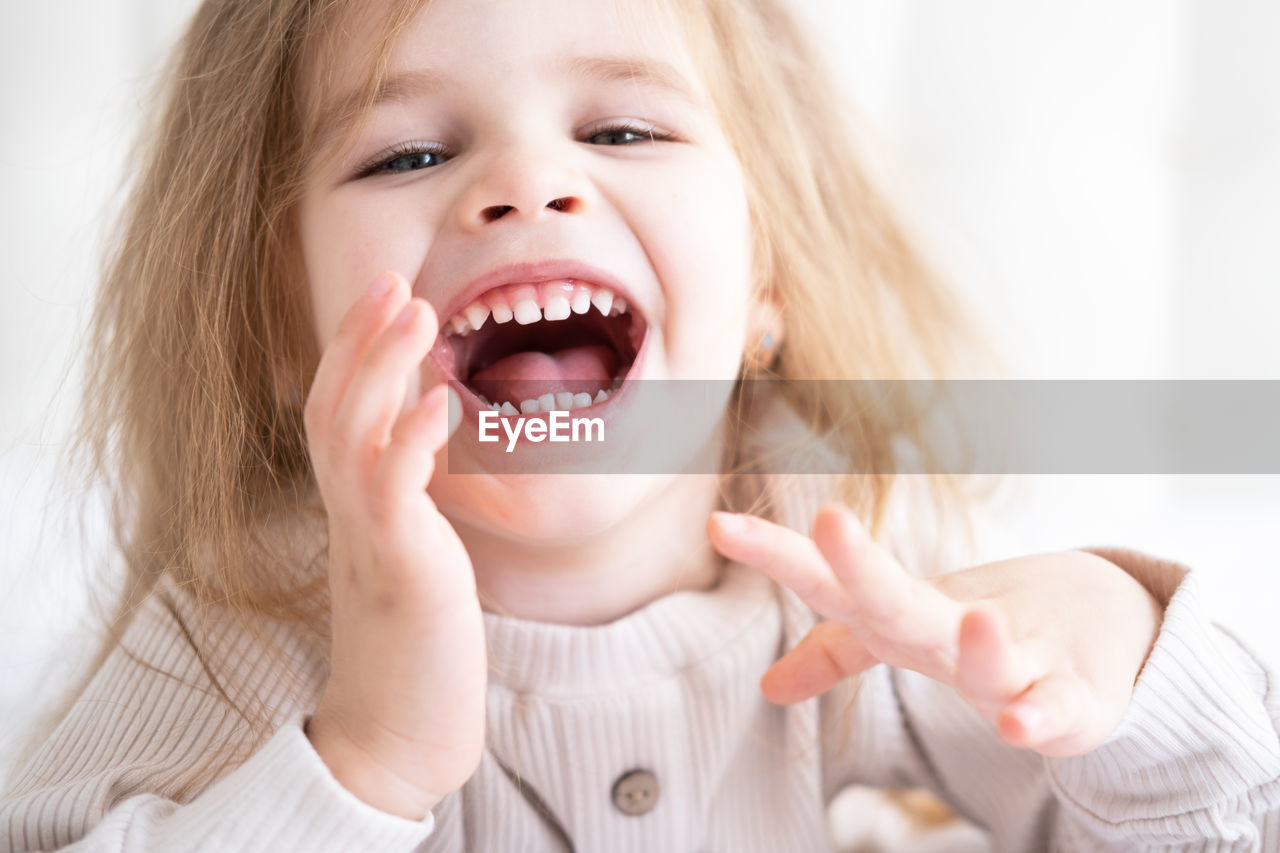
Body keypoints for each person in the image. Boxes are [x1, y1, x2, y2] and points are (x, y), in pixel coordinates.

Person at [3, 0, 1278, 850]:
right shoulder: (241, 624)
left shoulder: (860, 565)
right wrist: (365, 759)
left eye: (621, 128)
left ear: (763, 285)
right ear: (287, 331)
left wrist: (1130, 652)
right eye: (404, 156)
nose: (525, 185)